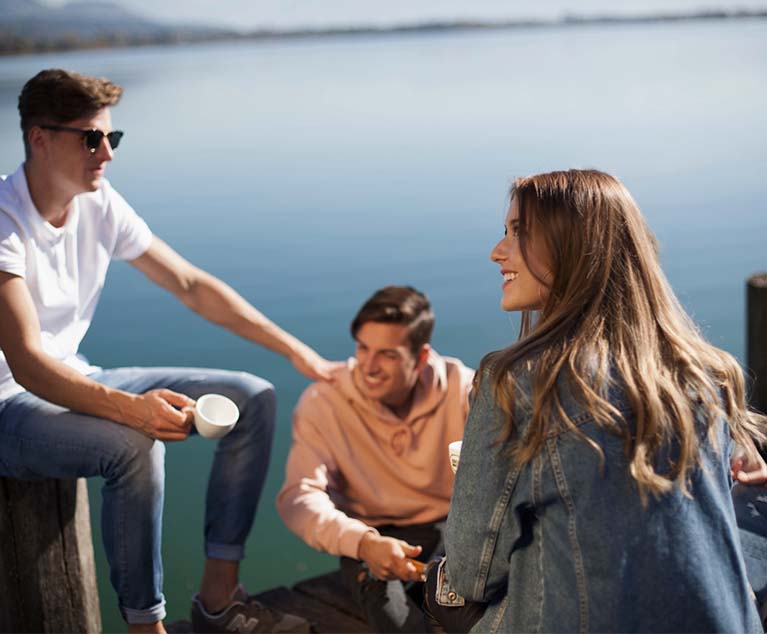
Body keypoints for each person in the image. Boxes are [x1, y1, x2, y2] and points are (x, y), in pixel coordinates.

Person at [0, 69, 338, 634]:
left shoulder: (99, 202)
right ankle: (145, 627)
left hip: (72, 377)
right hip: (10, 404)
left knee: (252, 399)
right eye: (91, 138)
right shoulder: (5, 220)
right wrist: (132, 409)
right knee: (135, 445)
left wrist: (296, 351)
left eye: (113, 138)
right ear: (39, 138)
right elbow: (29, 363)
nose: (106, 153)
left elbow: (189, 284)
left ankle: (218, 601)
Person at [425, 169, 766, 632]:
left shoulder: (518, 381)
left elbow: (473, 572)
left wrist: (443, 573)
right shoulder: (709, 373)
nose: (496, 251)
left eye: (519, 232)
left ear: (575, 245)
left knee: (439, 585)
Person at [276, 285, 474, 632]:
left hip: (452, 526)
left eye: (388, 355)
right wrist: (363, 542)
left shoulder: (463, 389)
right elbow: (299, 497)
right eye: (363, 348)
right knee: (394, 619)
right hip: (372, 536)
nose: (369, 367)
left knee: (471, 610)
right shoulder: (323, 402)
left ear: (422, 356)